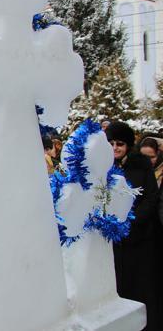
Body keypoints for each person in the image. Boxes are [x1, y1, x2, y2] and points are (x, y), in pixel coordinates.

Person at [105, 121, 161, 330]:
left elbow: (151, 198)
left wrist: (132, 221)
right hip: (115, 240)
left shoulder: (141, 165)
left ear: (128, 144)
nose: (115, 148)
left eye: (120, 143)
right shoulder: (104, 166)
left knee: (142, 286)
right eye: (111, 143)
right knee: (121, 286)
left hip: (140, 237)